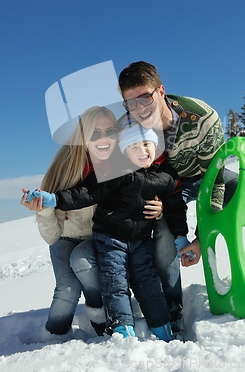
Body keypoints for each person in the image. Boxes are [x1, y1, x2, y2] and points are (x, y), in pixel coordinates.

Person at [117, 61, 245, 325]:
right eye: (130, 103)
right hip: (169, 190)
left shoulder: (201, 118)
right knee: (165, 244)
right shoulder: (129, 128)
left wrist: (200, 239)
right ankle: (173, 308)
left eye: (145, 98)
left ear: (161, 91)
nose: (139, 109)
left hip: (208, 175)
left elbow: (216, 177)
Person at [29, 123, 190, 342]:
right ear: (125, 152)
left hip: (141, 240)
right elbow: (87, 193)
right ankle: (122, 329)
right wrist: (56, 200)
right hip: (110, 238)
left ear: (155, 147)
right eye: (134, 147)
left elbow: (175, 206)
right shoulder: (115, 173)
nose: (142, 151)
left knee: (148, 282)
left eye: (146, 144)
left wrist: (180, 235)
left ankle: (162, 327)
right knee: (115, 282)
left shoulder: (164, 178)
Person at [20, 106, 120, 341]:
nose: (104, 139)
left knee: (83, 262)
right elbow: (52, 238)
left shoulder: (119, 169)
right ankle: (54, 339)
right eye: (95, 134)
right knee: (67, 288)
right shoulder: (62, 173)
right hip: (65, 239)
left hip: (98, 238)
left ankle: (101, 321)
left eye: (110, 132)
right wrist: (44, 211)